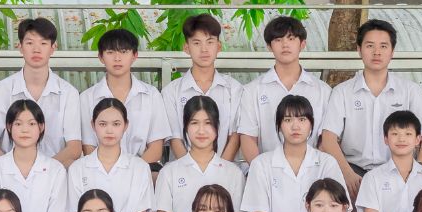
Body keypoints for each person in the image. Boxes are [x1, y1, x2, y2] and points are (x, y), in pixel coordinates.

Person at [318, 18, 422, 198]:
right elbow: (328, 138)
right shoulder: (342, 92)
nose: (377, 52)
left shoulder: (410, 90)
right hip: (354, 169)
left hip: (399, 168)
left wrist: (419, 170)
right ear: (359, 50)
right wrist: (347, 173)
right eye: (370, 46)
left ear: (392, 51)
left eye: (383, 46)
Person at [239, 94, 345, 212]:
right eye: (288, 120)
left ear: (312, 124)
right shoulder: (261, 164)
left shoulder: (327, 163)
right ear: (279, 125)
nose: (295, 126)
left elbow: (337, 211)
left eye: (302, 119)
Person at [0, 17, 83, 163]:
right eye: (30, 43)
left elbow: (74, 147)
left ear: (53, 47)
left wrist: (45, 171)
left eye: (43, 43)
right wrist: (13, 170)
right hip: (8, 172)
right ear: (20, 47)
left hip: (53, 171)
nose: (36, 49)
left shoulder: (69, 93)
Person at [68, 98, 155, 212]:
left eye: (116, 124)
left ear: (126, 125)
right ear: (93, 125)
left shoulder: (140, 168)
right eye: (102, 124)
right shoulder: (77, 169)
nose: (109, 130)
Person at [235, 15, 330, 162]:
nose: (285, 45)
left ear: (302, 44)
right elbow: (248, 138)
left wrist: (313, 169)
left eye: (291, 38)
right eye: (278, 40)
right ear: (269, 46)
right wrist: (262, 171)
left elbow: (325, 140)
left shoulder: (323, 91)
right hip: (265, 170)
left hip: (312, 170)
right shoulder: (252, 90)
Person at [152, 95, 244, 212]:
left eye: (208, 123)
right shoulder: (169, 172)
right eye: (194, 123)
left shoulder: (233, 173)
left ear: (217, 127)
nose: (201, 130)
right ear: (185, 127)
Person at [78, 26, 174, 164]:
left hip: (143, 167)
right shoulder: (86, 98)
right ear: (101, 57)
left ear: (134, 55)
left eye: (124, 52)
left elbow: (156, 148)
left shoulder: (151, 95)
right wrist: (110, 171)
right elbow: (88, 147)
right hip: (100, 169)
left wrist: (132, 171)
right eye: (110, 52)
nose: (117, 58)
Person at [161, 13, 244, 160]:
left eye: (210, 42)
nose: (204, 49)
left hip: (225, 170)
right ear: (186, 47)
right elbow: (175, 138)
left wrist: (220, 168)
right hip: (182, 170)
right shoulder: (171, 91)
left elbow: (235, 136)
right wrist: (190, 169)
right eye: (197, 43)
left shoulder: (234, 89)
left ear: (219, 46)